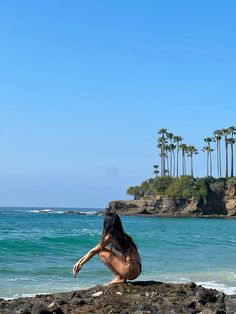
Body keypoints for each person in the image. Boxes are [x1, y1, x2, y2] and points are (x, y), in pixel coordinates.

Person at [73, 212, 142, 284]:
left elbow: (93, 251)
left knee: (101, 252)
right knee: (107, 249)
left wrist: (80, 262)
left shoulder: (111, 236)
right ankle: (120, 277)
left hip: (130, 270)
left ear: (107, 224)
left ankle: (119, 277)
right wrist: (80, 261)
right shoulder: (125, 236)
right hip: (137, 269)